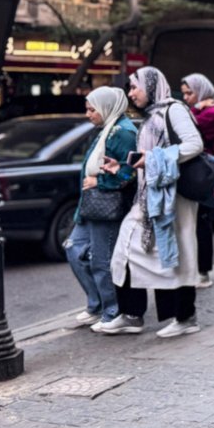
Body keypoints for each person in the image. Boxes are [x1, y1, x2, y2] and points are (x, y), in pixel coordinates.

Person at [98, 67, 203, 337]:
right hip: (147, 197)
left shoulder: (173, 110)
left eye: (135, 87)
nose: (131, 94)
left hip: (173, 197)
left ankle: (186, 317)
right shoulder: (150, 116)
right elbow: (147, 156)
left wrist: (155, 159)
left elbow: (194, 144)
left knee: (177, 256)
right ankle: (132, 314)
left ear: (151, 85)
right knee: (124, 252)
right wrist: (123, 165)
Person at [69, 87, 137, 327]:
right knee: (74, 250)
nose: (88, 114)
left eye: (91, 109)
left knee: (102, 260)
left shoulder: (123, 133)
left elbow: (129, 173)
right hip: (91, 203)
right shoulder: (107, 129)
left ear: (107, 107)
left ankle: (112, 311)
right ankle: (98, 304)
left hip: (105, 203)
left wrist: (101, 181)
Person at [180, 73, 214, 288]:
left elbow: (189, 126)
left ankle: (203, 271)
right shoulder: (201, 110)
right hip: (190, 171)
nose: (186, 97)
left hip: (202, 173)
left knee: (201, 224)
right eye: (184, 93)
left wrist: (196, 108)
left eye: (190, 93)